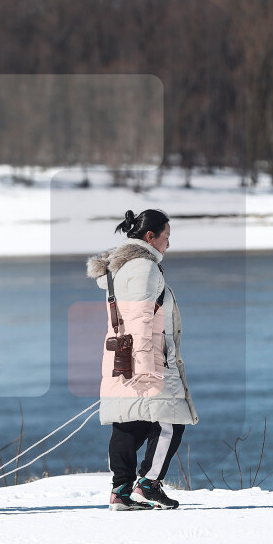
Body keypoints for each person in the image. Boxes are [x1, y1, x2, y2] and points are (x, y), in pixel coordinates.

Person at [86, 209, 198, 510]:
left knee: (128, 422)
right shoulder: (143, 267)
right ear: (150, 236)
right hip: (147, 359)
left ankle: (121, 491)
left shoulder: (120, 268)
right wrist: (147, 366)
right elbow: (139, 319)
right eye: (166, 236)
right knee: (171, 420)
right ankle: (148, 484)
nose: (168, 243)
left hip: (120, 357)